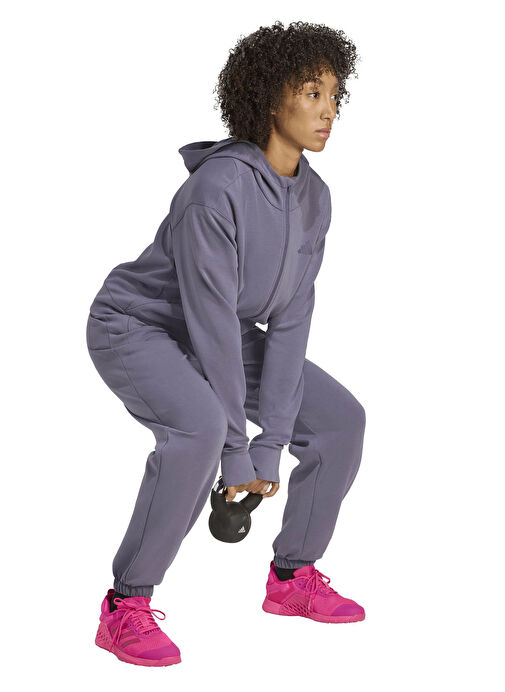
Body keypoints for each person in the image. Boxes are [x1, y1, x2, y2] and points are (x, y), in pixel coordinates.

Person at [87, 20, 366, 668]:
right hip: (140, 324)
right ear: (268, 99)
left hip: (223, 331)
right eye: (312, 93)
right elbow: (208, 318)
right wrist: (239, 451)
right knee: (202, 429)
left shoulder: (314, 199)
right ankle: (124, 606)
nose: (328, 110)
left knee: (339, 420)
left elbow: (291, 319)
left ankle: (292, 578)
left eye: (334, 95)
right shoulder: (216, 188)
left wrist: (273, 444)